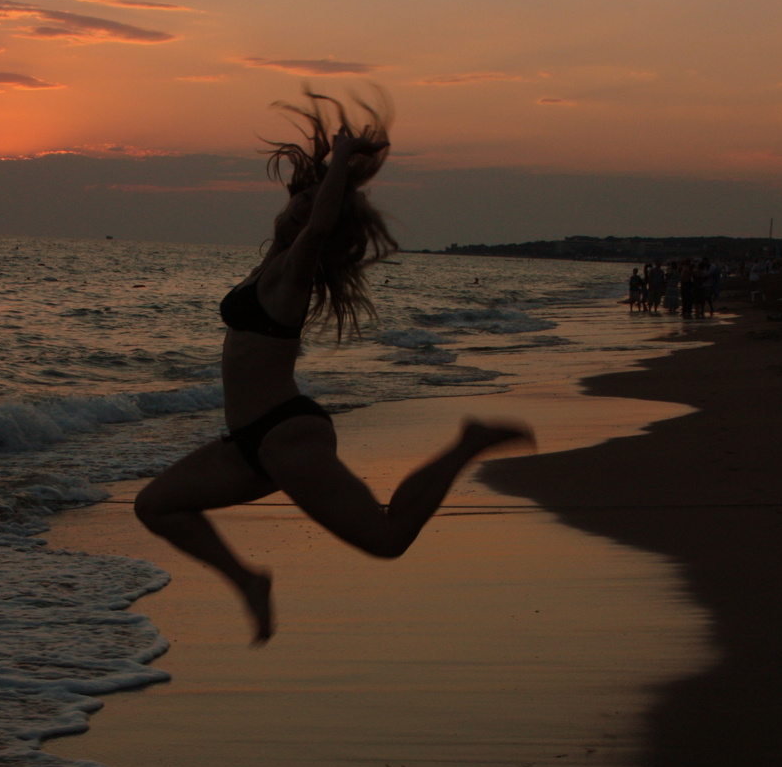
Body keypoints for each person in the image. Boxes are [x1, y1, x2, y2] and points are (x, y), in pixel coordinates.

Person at [135, 90, 533, 643]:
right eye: (300, 196)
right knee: (154, 505)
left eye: (313, 201)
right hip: (249, 442)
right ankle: (248, 582)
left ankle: (467, 444)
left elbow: (318, 230)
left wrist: (342, 164)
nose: (303, 207)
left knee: (388, 537)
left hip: (286, 434)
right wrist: (329, 175)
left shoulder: (297, 269)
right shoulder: (270, 262)